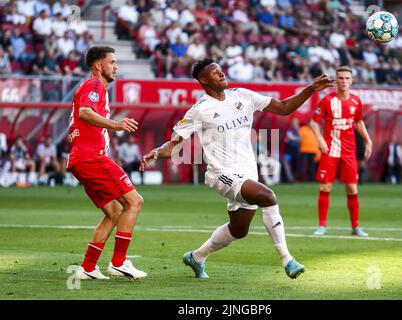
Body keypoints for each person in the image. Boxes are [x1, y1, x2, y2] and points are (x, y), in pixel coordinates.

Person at [140, 58, 334, 279]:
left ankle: (197, 256)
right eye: (215, 72)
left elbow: (283, 107)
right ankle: (287, 259)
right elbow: (174, 144)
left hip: (248, 171)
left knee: (239, 230)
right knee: (267, 196)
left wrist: (310, 89)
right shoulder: (200, 110)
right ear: (204, 80)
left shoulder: (242, 95)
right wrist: (157, 152)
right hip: (221, 174)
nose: (221, 73)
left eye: (221, 70)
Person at [67, 46, 146, 280]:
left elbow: (77, 121)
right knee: (135, 201)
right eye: (112, 62)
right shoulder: (94, 84)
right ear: (98, 65)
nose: (116, 66)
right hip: (92, 157)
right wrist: (116, 124)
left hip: (82, 159)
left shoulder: (90, 86)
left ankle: (88, 267)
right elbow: (84, 112)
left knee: (114, 212)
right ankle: (119, 262)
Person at [309, 66, 372, 237]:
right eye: (341, 78)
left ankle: (356, 227)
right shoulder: (327, 100)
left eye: (346, 78)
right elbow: (313, 122)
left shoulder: (356, 101)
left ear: (351, 81)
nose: (343, 81)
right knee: (326, 186)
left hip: (349, 152)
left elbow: (359, 122)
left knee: (352, 189)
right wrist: (320, 139)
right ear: (336, 80)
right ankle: (322, 225)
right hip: (330, 150)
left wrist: (368, 140)